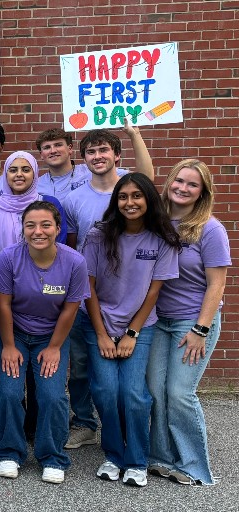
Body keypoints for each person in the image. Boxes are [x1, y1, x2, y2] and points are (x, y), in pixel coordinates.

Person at [81, 173, 181, 487]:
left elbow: (154, 292)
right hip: (97, 322)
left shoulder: (162, 239)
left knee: (134, 395)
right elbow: (88, 287)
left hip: (139, 327)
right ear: (116, 202)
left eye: (136, 196)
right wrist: (101, 333)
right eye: (123, 197)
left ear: (148, 199)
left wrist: (131, 333)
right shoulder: (98, 236)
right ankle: (114, 455)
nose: (129, 203)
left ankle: (136, 460)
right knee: (106, 392)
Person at [60, 124, 153, 450]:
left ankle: (129, 429)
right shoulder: (73, 199)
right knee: (82, 364)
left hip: (131, 293)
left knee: (127, 378)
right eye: (91, 151)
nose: (97, 156)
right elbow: (71, 247)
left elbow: (149, 177)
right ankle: (84, 423)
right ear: (83, 158)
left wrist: (134, 133)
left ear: (117, 155)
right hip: (89, 296)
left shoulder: (130, 186)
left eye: (103, 150)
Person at [0, 201, 89, 484]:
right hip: (14, 333)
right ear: (22, 229)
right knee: (8, 391)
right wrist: (8, 345)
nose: (38, 231)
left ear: (58, 228)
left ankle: (52, 456)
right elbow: (4, 306)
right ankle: (9, 452)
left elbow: (70, 308)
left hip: (51, 336)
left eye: (46, 225)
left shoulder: (74, 262)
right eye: (30, 225)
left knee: (52, 395)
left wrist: (55, 348)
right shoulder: (9, 258)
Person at [148, 159, 230, 485]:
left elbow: (217, 285)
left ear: (202, 192)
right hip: (157, 320)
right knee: (154, 391)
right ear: (169, 183)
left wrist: (201, 329)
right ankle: (160, 457)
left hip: (192, 323)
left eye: (192, 184)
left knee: (180, 392)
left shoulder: (210, 228)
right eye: (179, 181)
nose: (183, 188)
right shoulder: (156, 222)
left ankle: (194, 465)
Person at [34, 128, 92, 201]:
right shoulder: (37, 187)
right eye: (47, 147)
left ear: (70, 148)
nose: (53, 151)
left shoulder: (90, 173)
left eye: (58, 145)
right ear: (41, 154)